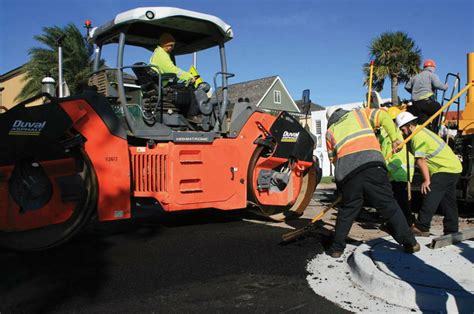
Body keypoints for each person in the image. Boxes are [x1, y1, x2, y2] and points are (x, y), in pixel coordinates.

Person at [325, 106, 419, 258]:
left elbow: (333, 159)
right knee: (388, 205)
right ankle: (410, 242)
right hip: (372, 165)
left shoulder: (330, 131)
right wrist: (395, 138)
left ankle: (336, 248)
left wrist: (345, 179)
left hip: (348, 174)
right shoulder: (359, 114)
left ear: (330, 119)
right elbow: (383, 116)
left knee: (347, 210)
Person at [395, 111, 462, 236]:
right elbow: (415, 150)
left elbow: (420, 160)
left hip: (445, 168)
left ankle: (422, 226)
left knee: (430, 192)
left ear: (409, 126)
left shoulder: (418, 137)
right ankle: (452, 230)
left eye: (403, 129)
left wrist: (427, 180)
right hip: (453, 167)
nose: (402, 132)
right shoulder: (420, 131)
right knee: (448, 201)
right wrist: (402, 145)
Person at [377, 106, 415, 225]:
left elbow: (397, 157)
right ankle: (401, 221)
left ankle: (405, 221)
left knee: (400, 200)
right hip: (395, 173)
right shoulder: (389, 134)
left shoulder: (397, 135)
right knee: (398, 200)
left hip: (399, 172)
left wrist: (386, 171)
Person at [149, 32, 200, 118]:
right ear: (164, 44)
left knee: (182, 85)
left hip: (160, 82)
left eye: (172, 45)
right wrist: (188, 76)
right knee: (189, 88)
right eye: (170, 45)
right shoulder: (162, 55)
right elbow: (172, 70)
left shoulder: (158, 53)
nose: (171, 48)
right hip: (162, 84)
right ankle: (192, 115)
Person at [404, 59, 448, 132]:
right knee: (439, 110)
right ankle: (435, 131)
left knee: (424, 123)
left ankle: (426, 133)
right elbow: (438, 85)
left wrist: (415, 92)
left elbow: (407, 87)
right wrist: (446, 86)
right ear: (432, 68)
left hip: (415, 104)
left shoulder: (415, 77)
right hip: (426, 103)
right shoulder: (431, 75)